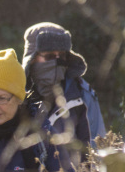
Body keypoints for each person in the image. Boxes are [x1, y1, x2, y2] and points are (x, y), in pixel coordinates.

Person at [21, 22, 106, 150]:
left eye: (62, 56)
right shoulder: (14, 95)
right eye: (49, 56)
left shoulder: (83, 95)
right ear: (32, 59)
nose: (57, 61)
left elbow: (98, 149)